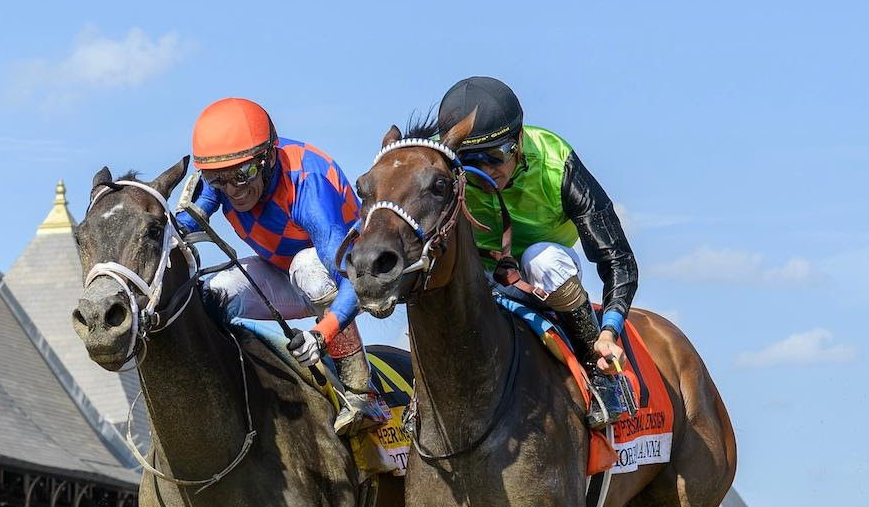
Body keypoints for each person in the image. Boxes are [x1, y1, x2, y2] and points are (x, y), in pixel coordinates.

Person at [175, 97, 390, 435]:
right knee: (212, 294)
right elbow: (183, 225)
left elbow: (350, 279)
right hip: (279, 269)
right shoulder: (227, 173)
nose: (233, 190)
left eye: (243, 175)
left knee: (308, 268)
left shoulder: (308, 187)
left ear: (269, 158)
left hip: (345, 280)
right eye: (218, 180)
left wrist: (322, 335)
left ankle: (362, 393)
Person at [435, 77, 639, 427]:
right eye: (470, 160)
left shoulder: (556, 160)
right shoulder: (443, 171)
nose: (485, 172)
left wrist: (609, 332)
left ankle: (600, 372)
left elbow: (618, 258)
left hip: (543, 270)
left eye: (495, 157)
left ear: (518, 140)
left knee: (542, 259)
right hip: (477, 273)